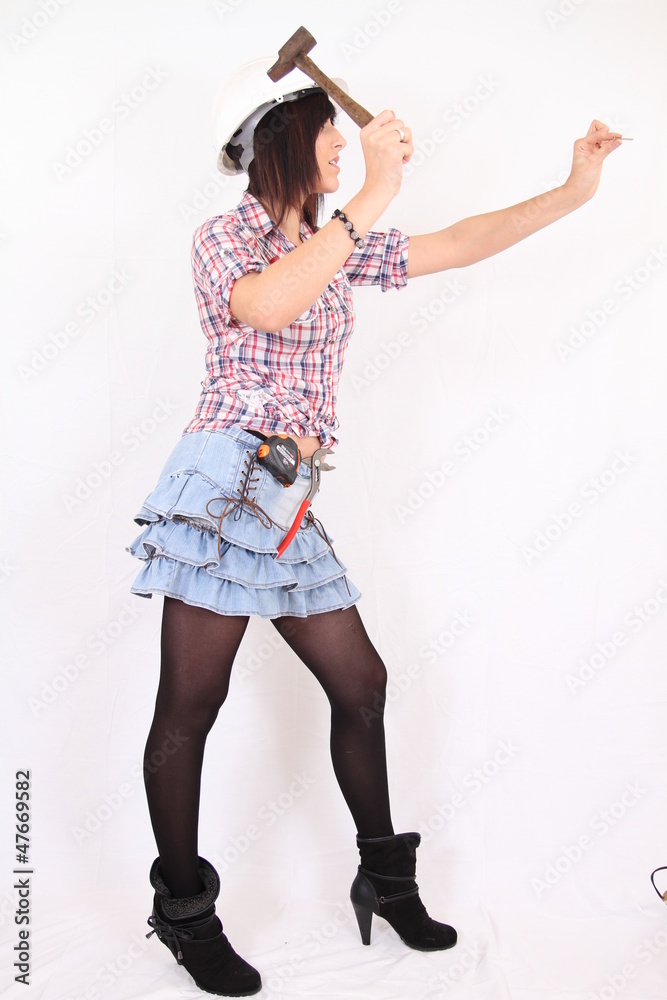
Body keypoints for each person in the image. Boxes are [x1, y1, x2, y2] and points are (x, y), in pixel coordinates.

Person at [127, 56, 623, 997]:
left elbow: (460, 242)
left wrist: (572, 190)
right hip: (222, 481)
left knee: (360, 684)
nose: (340, 148)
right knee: (190, 706)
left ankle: (384, 881)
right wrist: (376, 190)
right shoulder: (223, 238)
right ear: (278, 138)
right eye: (326, 133)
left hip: (288, 497)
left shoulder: (335, 242)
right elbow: (270, 302)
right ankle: (184, 914)